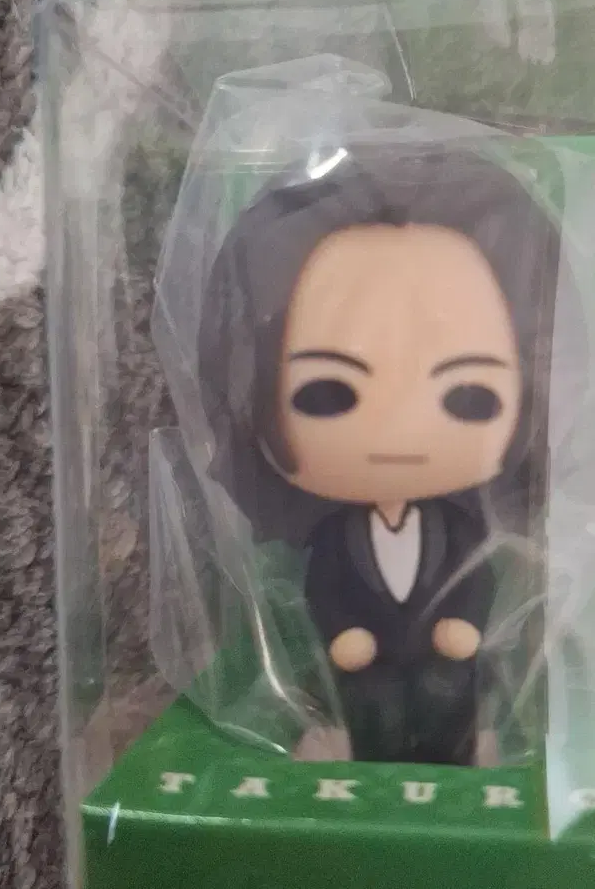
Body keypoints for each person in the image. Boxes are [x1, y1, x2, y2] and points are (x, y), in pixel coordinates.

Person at [198, 142, 562, 764]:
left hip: (446, 652)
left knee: (449, 691)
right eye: (327, 393)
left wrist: (464, 624)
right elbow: (325, 586)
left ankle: (462, 749)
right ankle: (361, 750)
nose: (399, 428)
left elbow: (476, 578)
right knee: (369, 703)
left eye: (469, 396)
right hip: (361, 660)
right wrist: (344, 632)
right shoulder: (333, 535)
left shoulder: (464, 527)